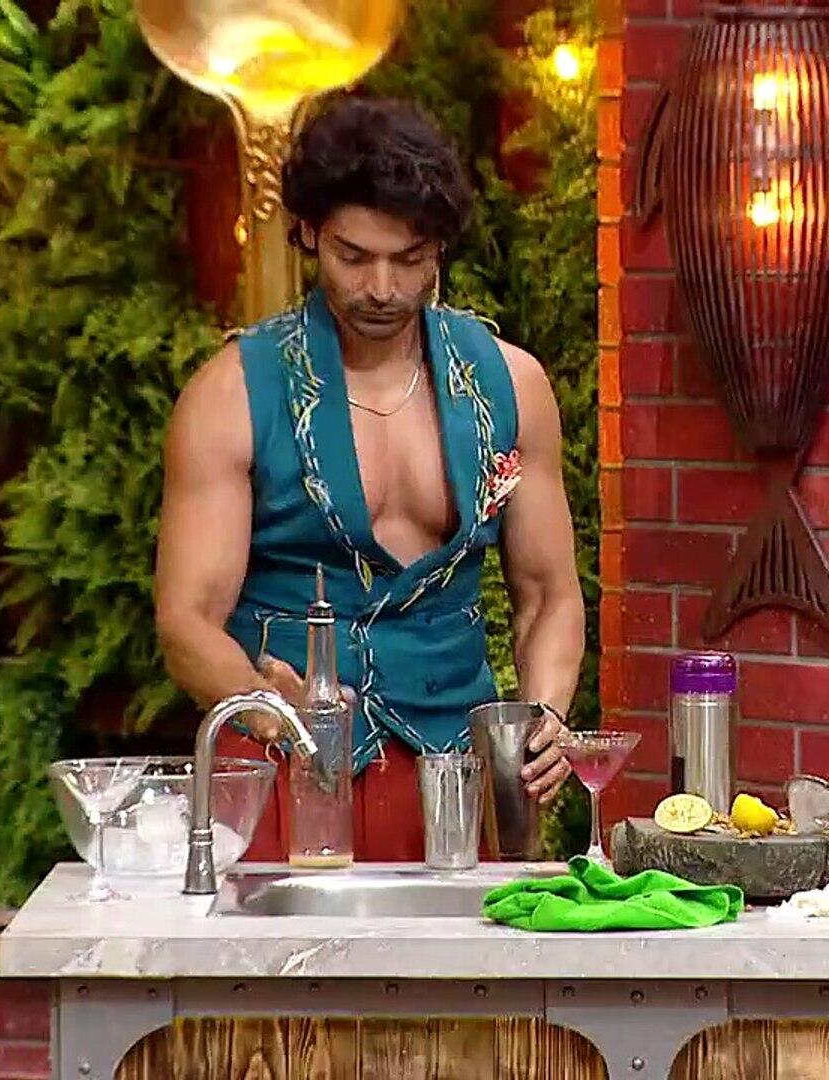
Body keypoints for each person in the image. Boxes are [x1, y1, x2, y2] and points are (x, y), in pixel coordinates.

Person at [154, 95, 585, 860]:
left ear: (439, 250)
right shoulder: (232, 394)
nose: (382, 287)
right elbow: (186, 620)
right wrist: (267, 708)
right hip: (284, 768)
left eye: (409, 259)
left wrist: (544, 716)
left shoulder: (510, 385)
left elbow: (548, 595)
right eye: (354, 257)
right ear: (309, 234)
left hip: (459, 772)